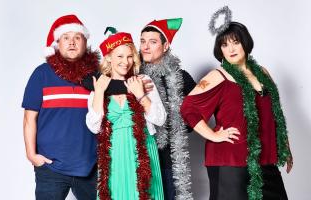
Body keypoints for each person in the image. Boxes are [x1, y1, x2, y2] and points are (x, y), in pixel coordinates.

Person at [181, 6, 293, 200]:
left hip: (264, 159)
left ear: (245, 43)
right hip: (231, 162)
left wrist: (286, 147)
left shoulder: (263, 73)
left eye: (235, 42)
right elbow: (188, 108)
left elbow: (275, 113)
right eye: (224, 45)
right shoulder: (218, 76)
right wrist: (213, 135)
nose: (230, 49)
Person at [22, 14, 122, 200]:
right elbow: (29, 118)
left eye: (77, 37)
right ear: (57, 43)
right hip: (51, 167)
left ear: (85, 42)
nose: (72, 43)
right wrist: (32, 155)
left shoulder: (97, 76)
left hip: (91, 166)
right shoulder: (41, 74)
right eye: (66, 38)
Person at [86, 29, 166, 200]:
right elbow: (93, 127)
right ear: (109, 58)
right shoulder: (100, 85)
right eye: (120, 56)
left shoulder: (143, 81)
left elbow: (160, 119)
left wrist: (141, 95)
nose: (126, 62)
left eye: (130, 56)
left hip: (142, 152)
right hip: (114, 155)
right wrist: (99, 91)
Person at [139, 18, 195, 200]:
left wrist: (172, 122)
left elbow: (197, 115)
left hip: (170, 158)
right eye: (142, 41)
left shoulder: (181, 78)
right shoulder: (133, 75)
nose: (145, 47)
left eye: (152, 42)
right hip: (140, 156)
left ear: (165, 46)